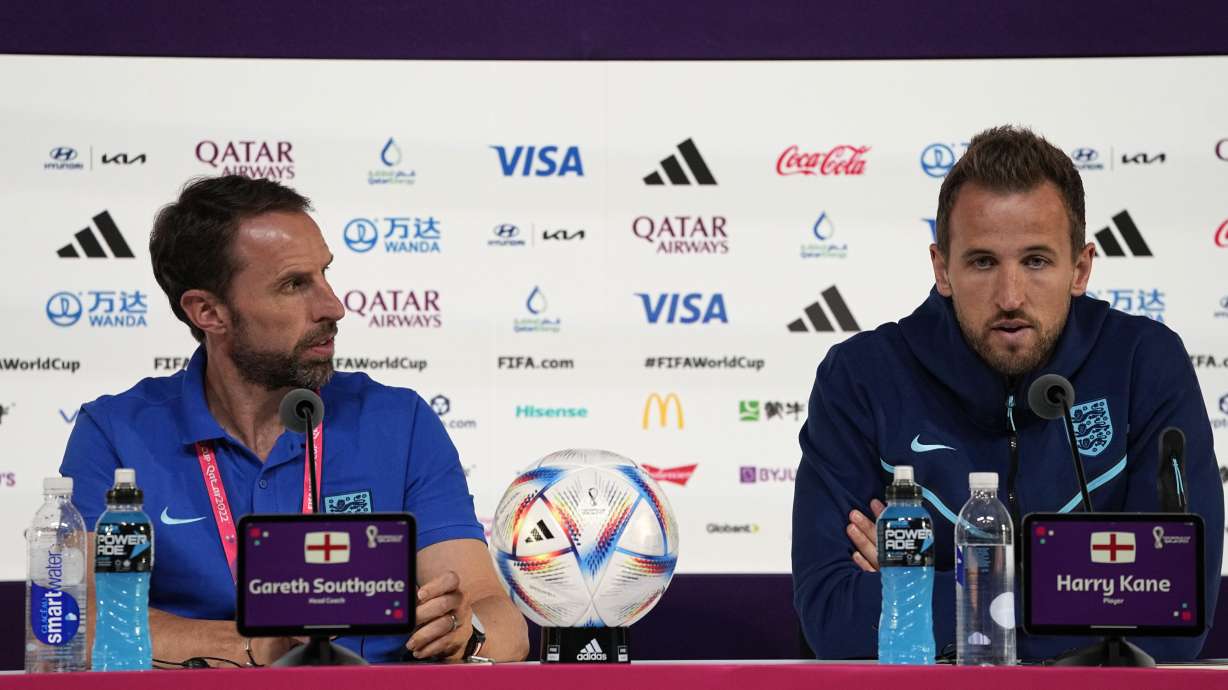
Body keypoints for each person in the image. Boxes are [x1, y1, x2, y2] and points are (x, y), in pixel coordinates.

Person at [791, 126, 1222, 661]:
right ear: (942, 268)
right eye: (982, 262)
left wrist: (911, 590)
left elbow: (1175, 619)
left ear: (1081, 267)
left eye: (1037, 260)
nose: (1010, 296)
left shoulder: (1144, 363)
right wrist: (1094, 593)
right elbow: (833, 619)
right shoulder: (861, 377)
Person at [60, 175, 528, 665]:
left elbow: (499, 622)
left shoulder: (398, 421)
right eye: (294, 285)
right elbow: (80, 621)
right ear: (208, 311)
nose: (333, 307)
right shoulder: (115, 434)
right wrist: (254, 645)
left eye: (325, 274)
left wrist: (465, 632)